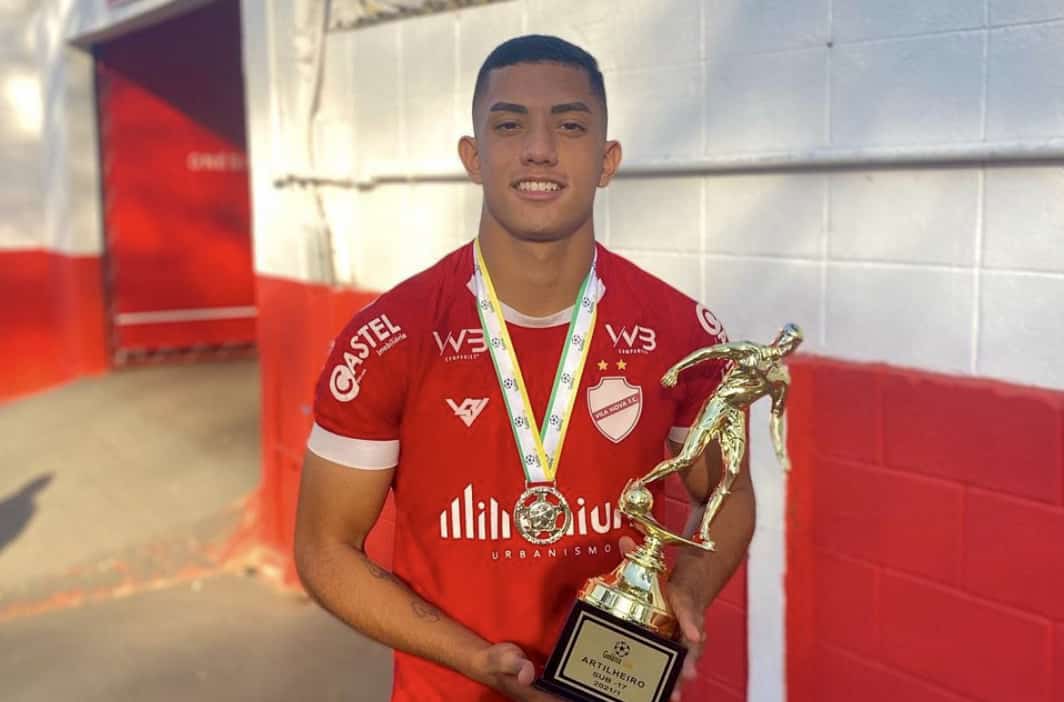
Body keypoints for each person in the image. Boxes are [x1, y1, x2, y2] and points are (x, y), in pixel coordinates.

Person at [294, 34, 756, 702]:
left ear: (607, 159)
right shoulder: (390, 338)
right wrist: (476, 660)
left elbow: (730, 493)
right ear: (473, 157)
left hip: (616, 688)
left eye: (570, 125)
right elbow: (324, 548)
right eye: (509, 125)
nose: (539, 148)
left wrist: (684, 590)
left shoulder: (683, 332)